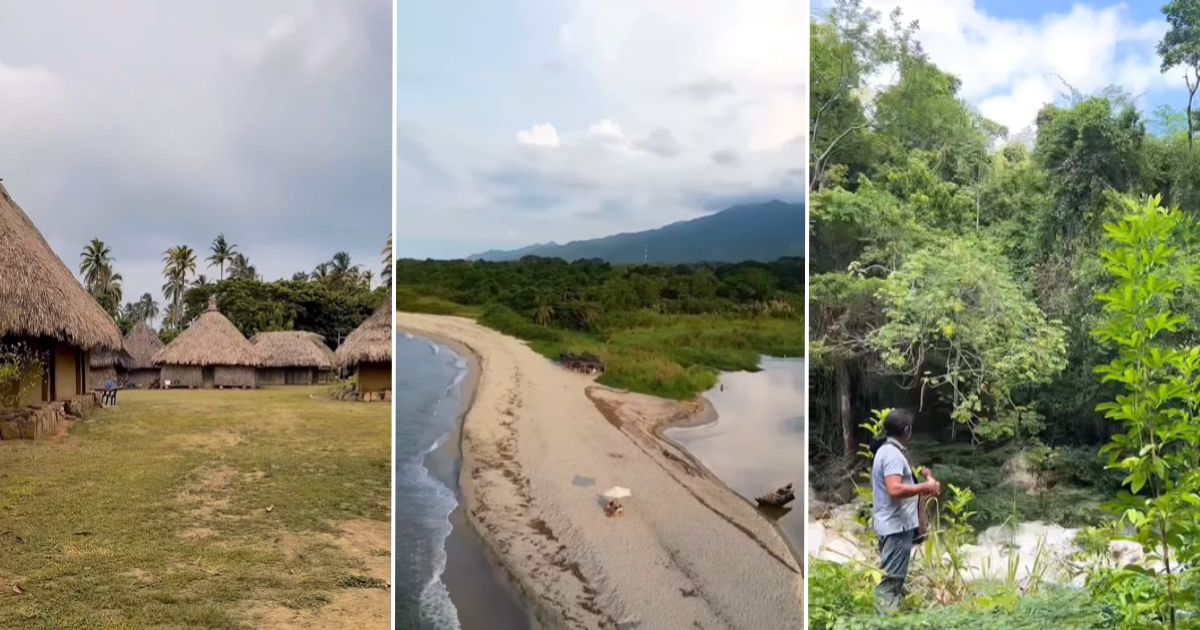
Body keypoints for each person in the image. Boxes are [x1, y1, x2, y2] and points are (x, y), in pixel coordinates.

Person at [870, 408, 940, 613]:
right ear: (907, 430)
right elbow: (894, 489)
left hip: (891, 525)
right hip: (896, 527)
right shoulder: (892, 454)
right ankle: (881, 622)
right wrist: (925, 487)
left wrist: (924, 479)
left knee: (891, 580)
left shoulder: (886, 450)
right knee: (891, 584)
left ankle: (886, 618)